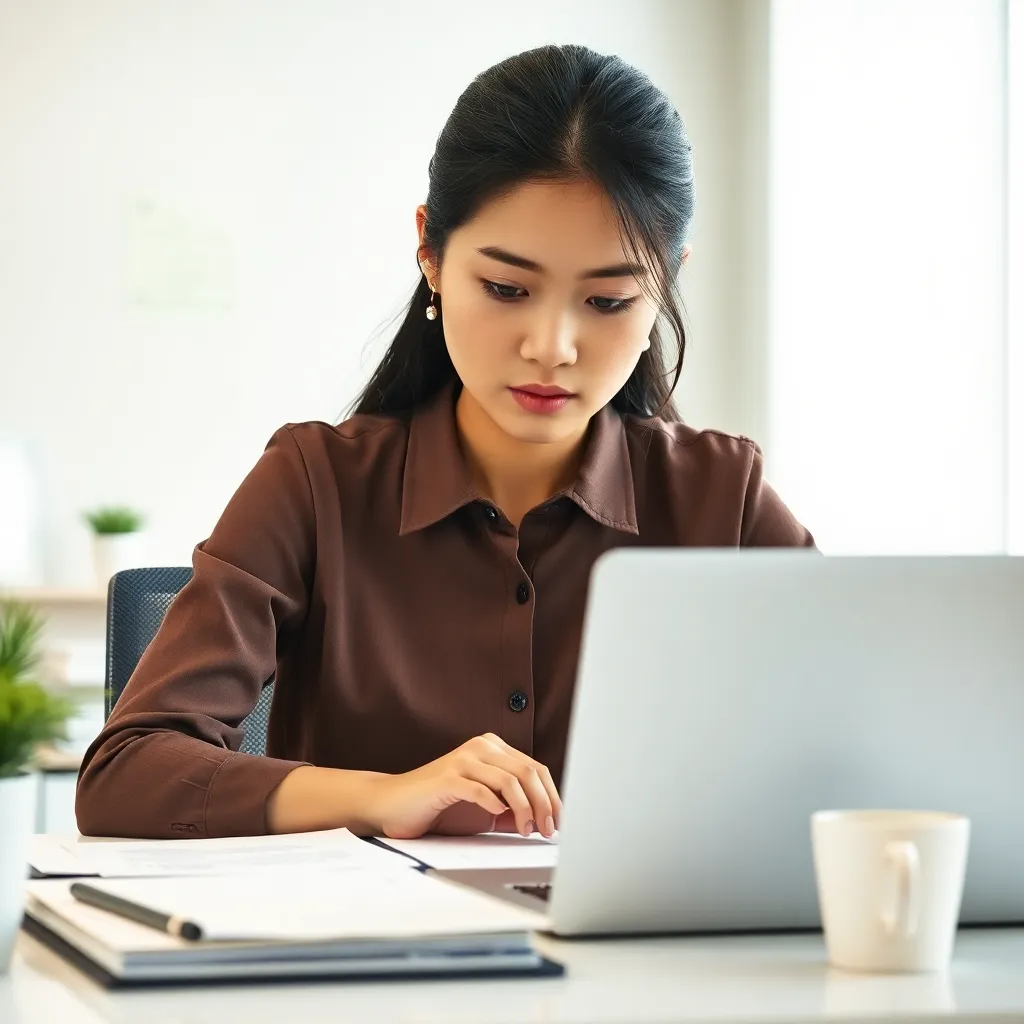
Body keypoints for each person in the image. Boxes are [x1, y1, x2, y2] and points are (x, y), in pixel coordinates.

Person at [76, 43, 814, 842]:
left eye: (607, 300)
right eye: (506, 289)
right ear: (430, 252)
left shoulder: (723, 499)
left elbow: (872, 750)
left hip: (653, 962)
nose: (551, 346)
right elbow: (128, 774)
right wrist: (382, 797)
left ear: (665, 285)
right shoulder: (313, 484)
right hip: (376, 960)